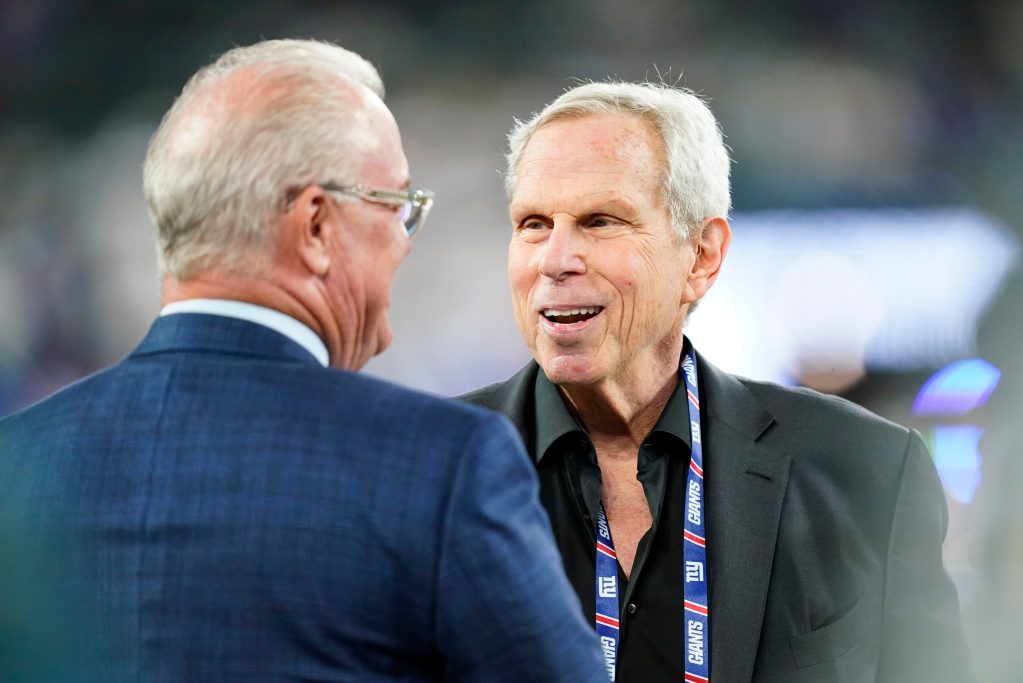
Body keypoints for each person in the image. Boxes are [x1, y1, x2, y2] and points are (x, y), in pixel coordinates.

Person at [0, 40, 607, 682]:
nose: (404, 243)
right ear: (316, 227)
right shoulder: (442, 464)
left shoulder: (14, 463)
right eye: (396, 206)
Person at [462, 81, 975, 682]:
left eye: (600, 221)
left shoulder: (867, 473)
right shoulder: (427, 476)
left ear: (702, 256)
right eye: (533, 224)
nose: (553, 260)